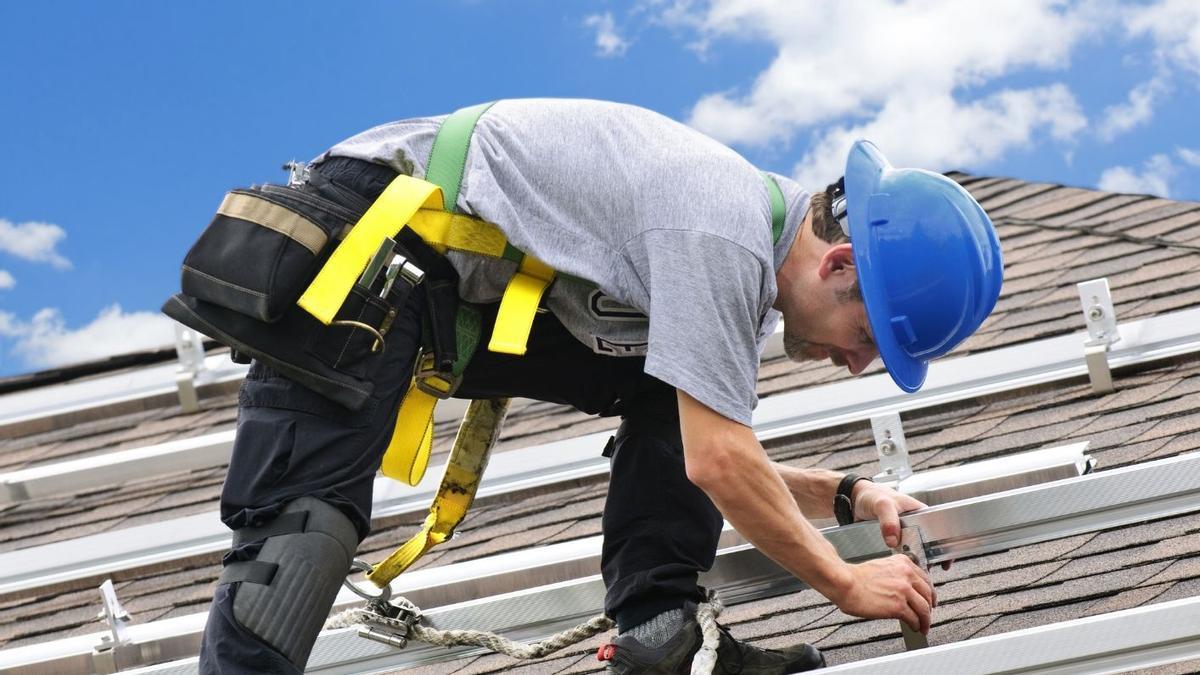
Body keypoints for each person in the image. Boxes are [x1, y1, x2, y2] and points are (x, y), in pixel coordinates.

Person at [186, 98, 1002, 674]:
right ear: (840, 265)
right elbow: (720, 460)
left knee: (666, 392)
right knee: (298, 543)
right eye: (869, 338)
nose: (857, 364)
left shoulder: (735, 274)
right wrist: (847, 581)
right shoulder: (721, 228)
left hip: (447, 292)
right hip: (370, 246)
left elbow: (701, 445)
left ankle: (663, 636)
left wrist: (848, 494)